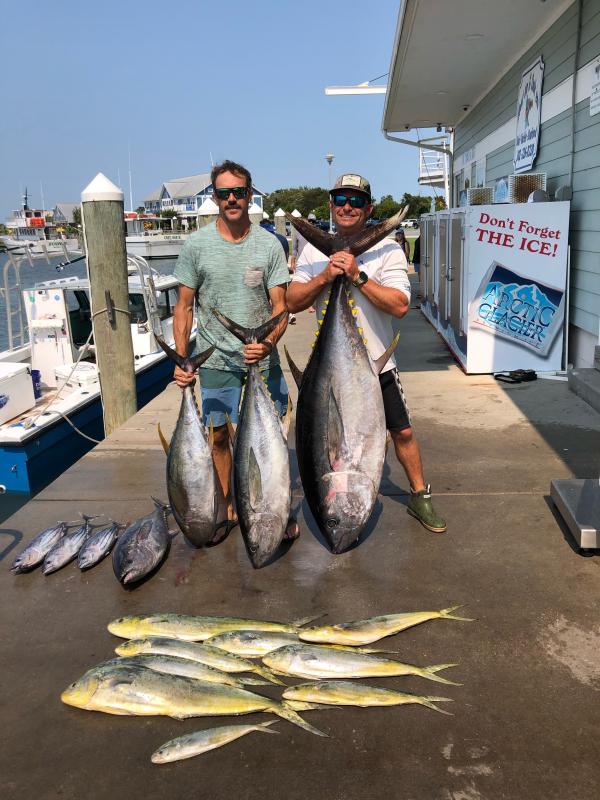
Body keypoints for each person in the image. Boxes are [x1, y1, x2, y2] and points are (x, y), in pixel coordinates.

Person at [286, 173, 446, 534]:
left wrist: (357, 275)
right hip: (327, 372)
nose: (347, 206)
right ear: (331, 205)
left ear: (369, 208)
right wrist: (326, 276)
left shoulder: (388, 249)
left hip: (376, 366)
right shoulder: (312, 251)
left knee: (403, 432)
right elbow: (292, 302)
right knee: (324, 440)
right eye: (341, 199)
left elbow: (400, 305)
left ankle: (419, 495)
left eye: (356, 201)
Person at [172, 159, 298, 540]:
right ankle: (228, 504)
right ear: (214, 197)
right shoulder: (196, 246)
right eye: (224, 193)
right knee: (219, 437)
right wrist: (183, 359)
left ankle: (276, 506)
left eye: (238, 192)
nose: (231, 199)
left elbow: (280, 307)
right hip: (216, 360)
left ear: (249, 195)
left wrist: (268, 344)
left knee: (273, 436)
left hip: (262, 357)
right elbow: (184, 307)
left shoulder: (269, 245)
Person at [259, 219, 296, 325]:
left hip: (263, 271)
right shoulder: (282, 239)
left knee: (266, 298)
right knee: (281, 298)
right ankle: (290, 314)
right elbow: (287, 254)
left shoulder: (260, 239)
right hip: (281, 269)